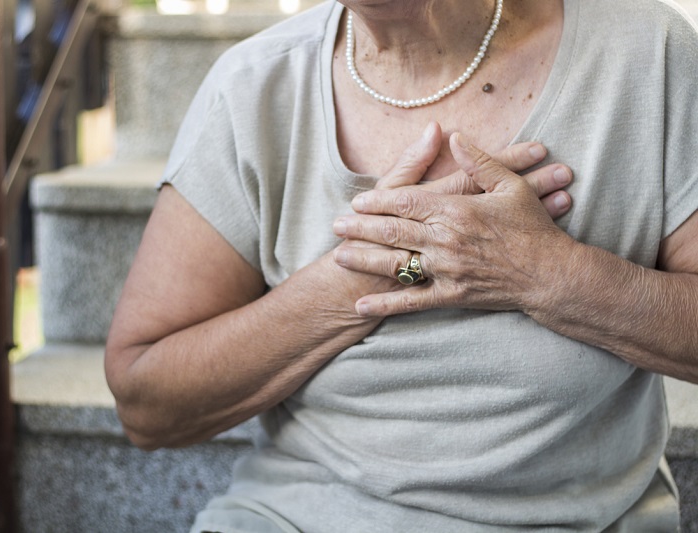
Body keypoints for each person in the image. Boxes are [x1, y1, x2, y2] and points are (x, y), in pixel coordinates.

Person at [105, 0, 698, 530]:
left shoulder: (646, 51)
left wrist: (545, 274)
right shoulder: (254, 86)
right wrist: (367, 270)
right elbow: (147, 403)